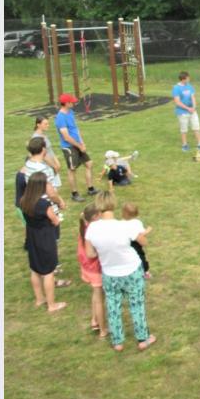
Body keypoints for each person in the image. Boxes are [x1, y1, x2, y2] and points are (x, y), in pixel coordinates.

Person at [85, 191, 155, 352]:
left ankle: (118, 342)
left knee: (113, 305)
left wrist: (101, 252)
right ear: (113, 204)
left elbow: (90, 254)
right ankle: (143, 339)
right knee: (136, 303)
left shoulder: (92, 229)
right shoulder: (124, 226)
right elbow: (144, 242)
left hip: (109, 273)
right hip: (131, 270)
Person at [21, 172, 68, 313]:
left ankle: (39, 298)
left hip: (32, 236)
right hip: (45, 237)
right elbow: (55, 220)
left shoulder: (24, 200)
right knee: (48, 271)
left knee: (35, 269)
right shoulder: (43, 204)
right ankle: (52, 305)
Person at [55, 93, 100, 202]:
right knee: (72, 169)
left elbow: (75, 129)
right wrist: (79, 145)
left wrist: (82, 143)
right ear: (66, 103)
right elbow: (66, 137)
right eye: (72, 102)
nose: (74, 103)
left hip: (78, 144)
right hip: (69, 147)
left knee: (89, 164)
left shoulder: (70, 112)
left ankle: (90, 189)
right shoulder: (60, 117)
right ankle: (74, 194)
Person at [77, 204, 107, 339]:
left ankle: (94, 320)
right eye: (100, 214)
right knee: (100, 299)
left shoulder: (84, 227)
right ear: (95, 217)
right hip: (96, 269)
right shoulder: (94, 231)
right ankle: (102, 330)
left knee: (96, 294)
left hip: (87, 268)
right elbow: (92, 254)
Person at [172, 71, 200, 152]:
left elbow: (193, 97)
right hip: (182, 112)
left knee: (196, 126)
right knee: (184, 129)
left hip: (192, 111)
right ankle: (184, 145)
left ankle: (199, 144)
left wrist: (193, 107)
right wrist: (188, 108)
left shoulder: (190, 86)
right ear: (183, 79)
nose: (189, 79)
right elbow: (177, 102)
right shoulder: (176, 88)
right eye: (188, 78)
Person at [122, 202, 152, 279]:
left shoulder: (121, 222)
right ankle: (145, 272)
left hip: (126, 243)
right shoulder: (137, 223)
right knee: (141, 257)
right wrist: (148, 230)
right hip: (135, 243)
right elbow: (141, 235)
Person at [31, 115, 61, 181]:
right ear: (38, 125)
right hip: (45, 167)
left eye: (48, 124)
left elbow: (50, 150)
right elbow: (43, 155)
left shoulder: (44, 135)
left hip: (51, 165)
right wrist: (54, 166)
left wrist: (57, 162)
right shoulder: (36, 138)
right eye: (45, 124)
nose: (48, 125)